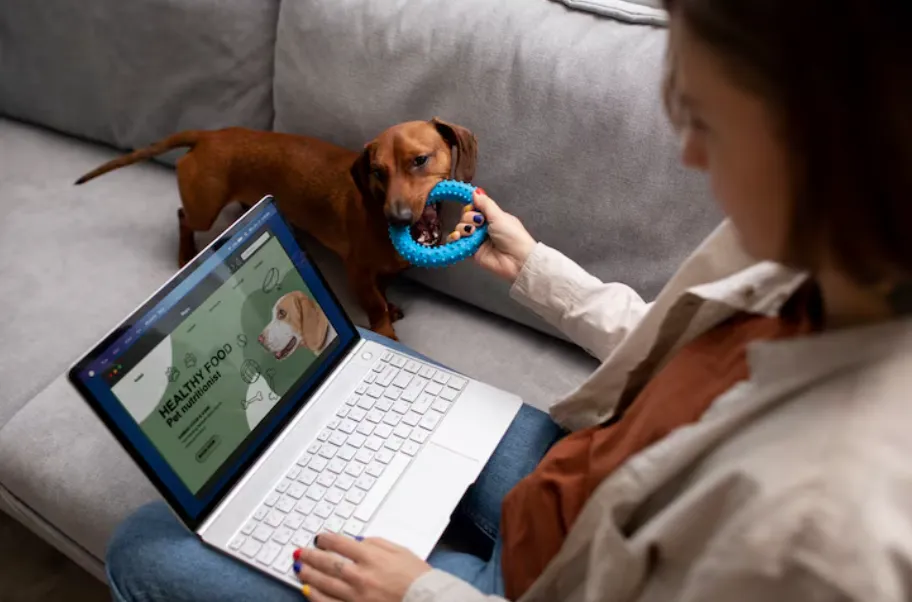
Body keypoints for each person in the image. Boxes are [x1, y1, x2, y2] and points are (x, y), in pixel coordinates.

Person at [106, 0, 912, 600]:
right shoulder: (809, 250)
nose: (690, 156)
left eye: (701, 117)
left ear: (834, 138)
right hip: (561, 470)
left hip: (529, 583)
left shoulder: (822, 538)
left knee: (144, 548)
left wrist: (418, 593)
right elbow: (687, 354)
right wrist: (536, 268)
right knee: (348, 358)